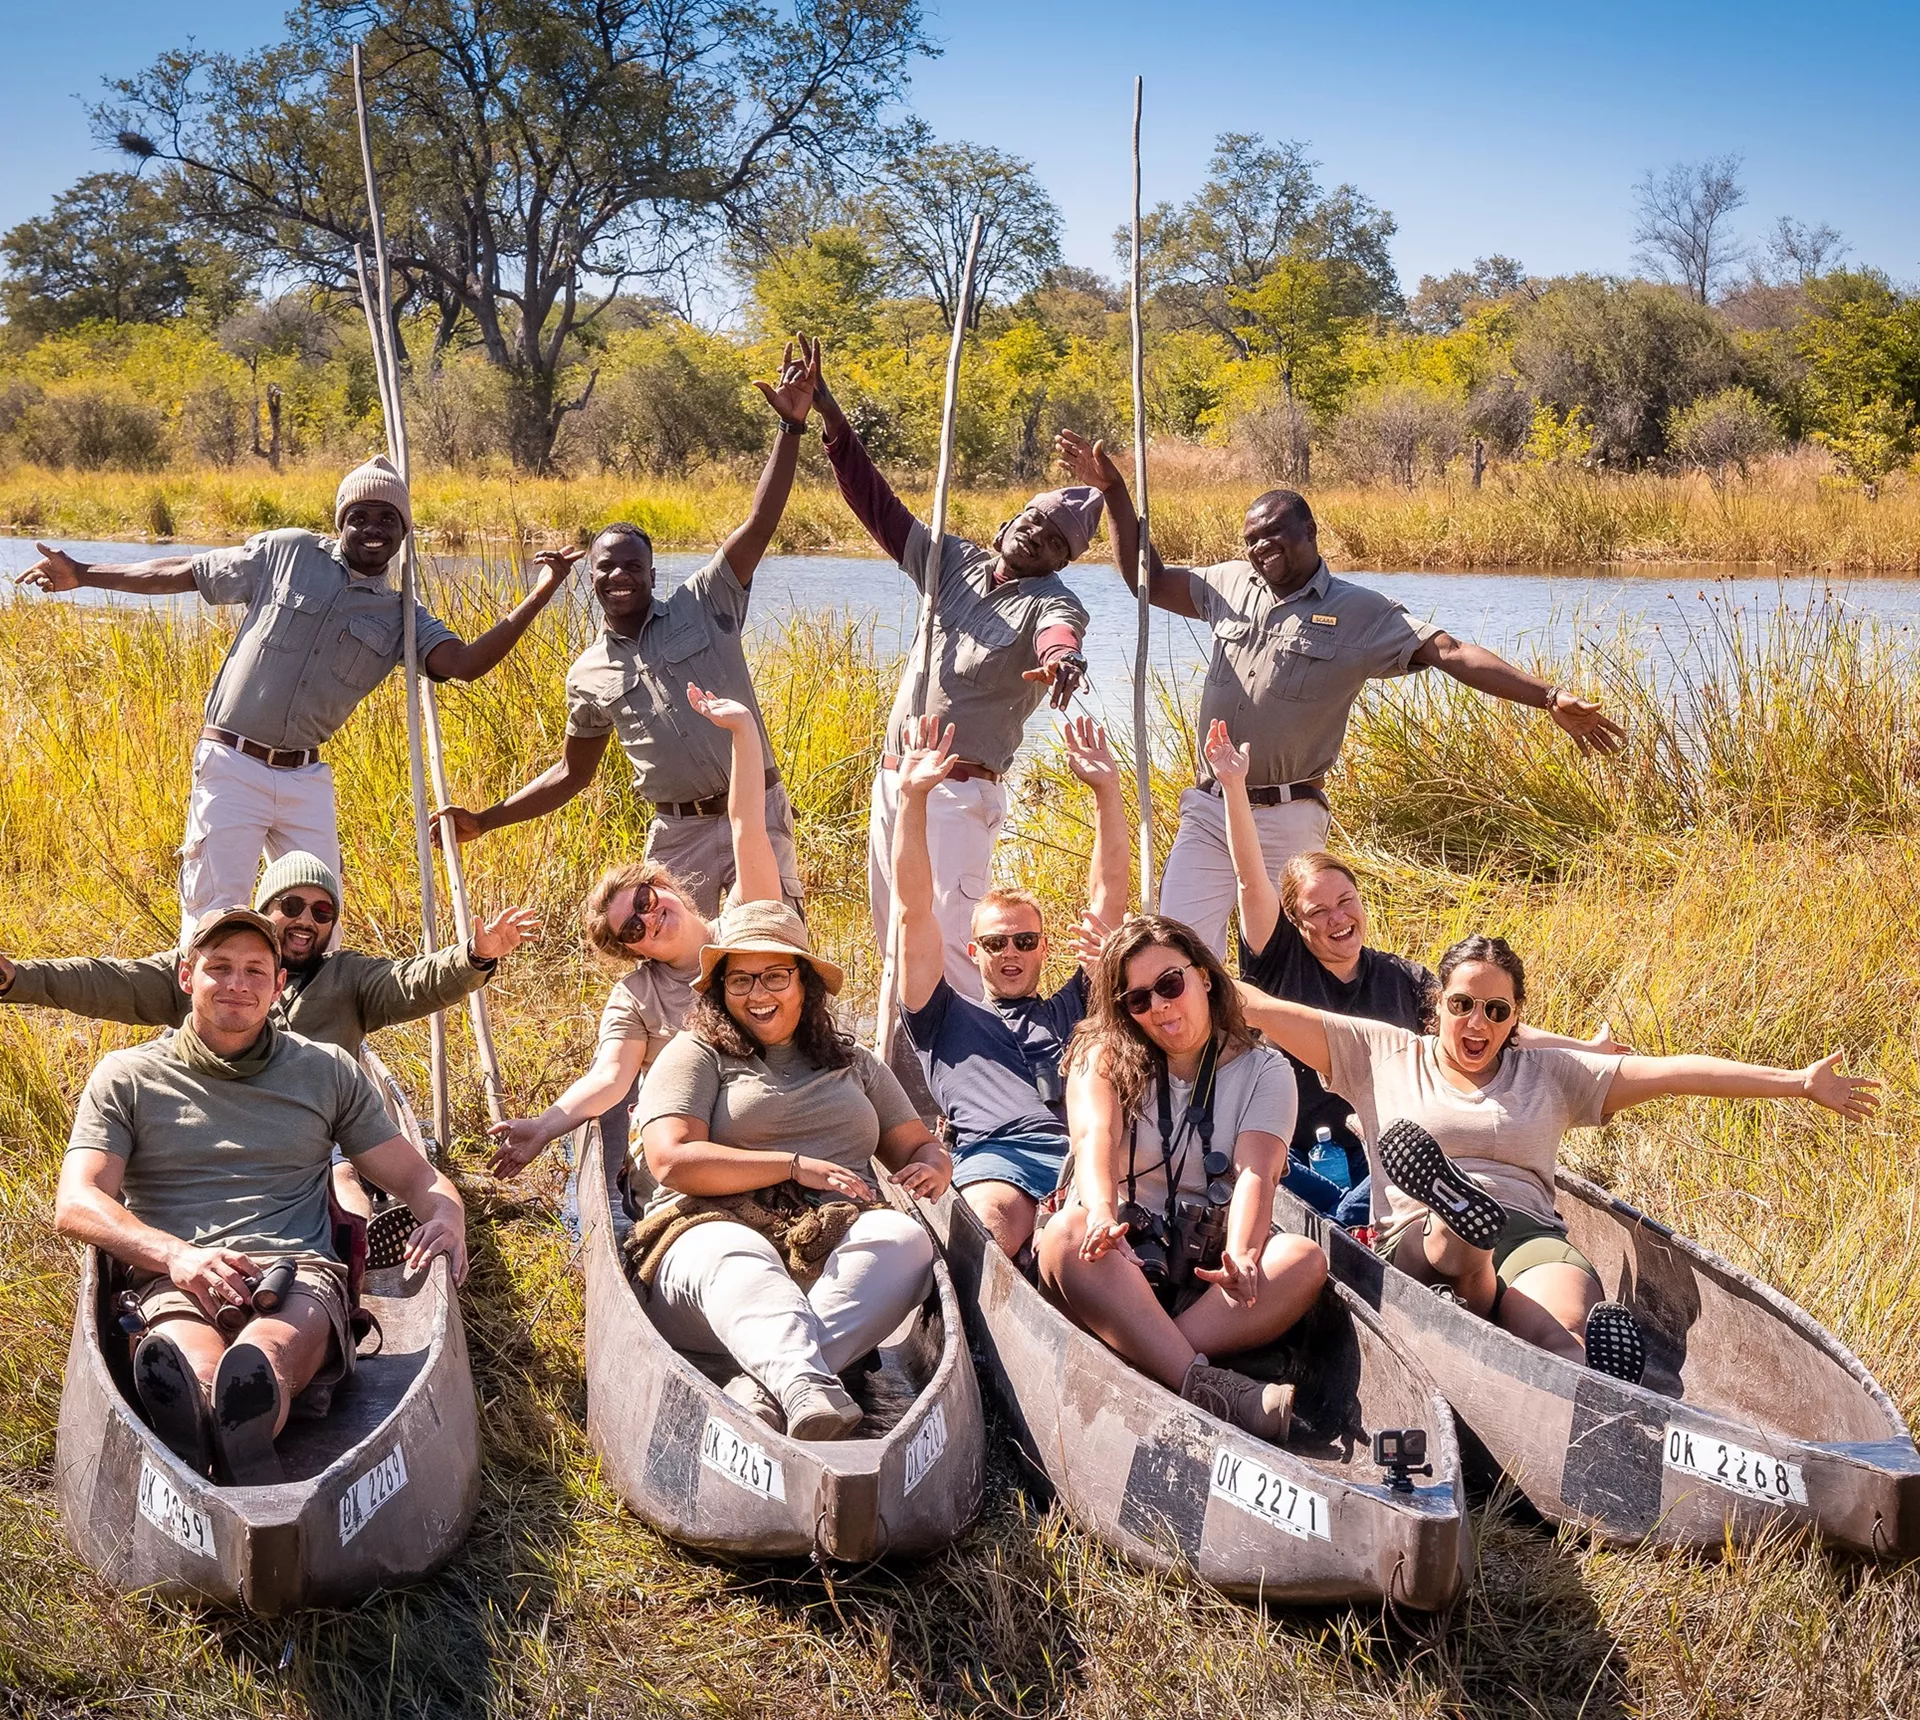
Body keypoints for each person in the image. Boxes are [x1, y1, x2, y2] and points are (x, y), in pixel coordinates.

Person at [1056, 431, 1627, 958]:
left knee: (1295, 961)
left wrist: (1548, 697)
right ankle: (1192, 1067)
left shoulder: (1360, 611)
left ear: (1310, 533)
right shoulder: (1229, 583)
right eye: (1252, 541)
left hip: (1288, 816)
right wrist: (1115, 493)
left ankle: (1293, 1065)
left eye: (1274, 535)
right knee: (1177, 952)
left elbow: (1449, 652)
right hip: (1209, 809)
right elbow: (1144, 578)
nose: (1260, 550)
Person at [1237, 934, 1879, 1381]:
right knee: (1449, 1243)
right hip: (1414, 1233)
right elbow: (1260, 1006)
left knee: (1560, 1333)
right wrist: (1162, 969)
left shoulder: (1549, 1073)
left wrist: (1798, 1081)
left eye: (1496, 1010)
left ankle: (1592, 1386)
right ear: (1437, 1006)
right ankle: (1459, 1222)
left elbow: (1674, 1073)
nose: (1476, 1023)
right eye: (1461, 1005)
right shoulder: (1380, 1052)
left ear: (1515, 1018)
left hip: (1531, 1234)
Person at [16, 456, 573, 947]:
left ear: (404, 531)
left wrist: (543, 590)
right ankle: (200, 1043)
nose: (372, 528)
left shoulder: (402, 615)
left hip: (305, 779)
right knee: (215, 918)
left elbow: (466, 664)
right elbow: (184, 572)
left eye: (387, 518)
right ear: (341, 523)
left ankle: (298, 1041)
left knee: (317, 920)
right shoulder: (288, 553)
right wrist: (84, 574)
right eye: (360, 516)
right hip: (232, 763)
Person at [53, 907, 468, 1484]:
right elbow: (75, 1201)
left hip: (294, 1274)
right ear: (185, 976)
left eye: (254, 970)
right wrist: (178, 1256)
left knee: (263, 1355)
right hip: (172, 1275)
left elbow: (414, 1177)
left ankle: (239, 1422)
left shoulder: (326, 1070)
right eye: (218, 967)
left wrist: (448, 1213)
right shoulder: (126, 1076)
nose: (236, 984)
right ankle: (199, 1417)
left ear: (278, 985)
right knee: (190, 1356)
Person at [435, 341, 824, 915]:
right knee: (678, 966)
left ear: (651, 572)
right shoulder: (589, 674)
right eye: (606, 567)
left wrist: (790, 430)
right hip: (678, 834)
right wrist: (485, 820)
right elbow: (571, 774)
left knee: (771, 946)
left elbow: (760, 523)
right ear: (589, 577)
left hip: (756, 811)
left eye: (632, 565)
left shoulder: (705, 601)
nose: (620, 576)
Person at [0, 849, 534, 1239]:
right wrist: (16, 979)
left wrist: (474, 957)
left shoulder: (350, 978)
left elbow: (415, 981)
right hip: (223, 1133)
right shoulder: (207, 970)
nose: (305, 920)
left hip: (324, 1132)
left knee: (342, 1173)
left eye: (322, 913)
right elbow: (103, 981)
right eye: (293, 905)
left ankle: (358, 1245)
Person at [804, 349, 1100, 997]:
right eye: (1033, 522)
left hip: (959, 794)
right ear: (1007, 522)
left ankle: (968, 1091)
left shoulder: (1052, 600)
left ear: (1063, 562)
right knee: (895, 942)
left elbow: (1059, 637)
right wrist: (829, 415)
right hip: (897, 779)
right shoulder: (951, 562)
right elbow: (877, 506)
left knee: (955, 945)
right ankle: (905, 1085)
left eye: (1054, 541)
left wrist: (1061, 664)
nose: (1036, 537)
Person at [634, 901, 953, 1439]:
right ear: (719, 989)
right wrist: (793, 1166)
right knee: (742, 1254)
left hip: (829, 1257)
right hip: (708, 1246)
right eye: (740, 980)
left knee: (905, 1239)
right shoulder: (698, 1054)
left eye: (775, 976)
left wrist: (932, 1165)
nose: (758, 994)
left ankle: (772, 1390)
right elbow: (670, 1159)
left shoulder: (853, 1063)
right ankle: (801, 1382)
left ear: (805, 983)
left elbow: (919, 1149)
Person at [1037, 915, 1329, 1440]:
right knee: (1067, 1235)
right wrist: (1104, 1213)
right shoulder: (1101, 1054)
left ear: (1206, 978)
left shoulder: (1266, 1069)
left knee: (1303, 1260)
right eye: (1139, 1000)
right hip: (1120, 1262)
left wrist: (1241, 1253)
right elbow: (1094, 1139)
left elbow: (1255, 1173)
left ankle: (1151, 1355)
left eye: (1170, 985)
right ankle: (1210, 1387)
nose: (1160, 1007)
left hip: (1201, 1272)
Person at [484, 685, 786, 1178]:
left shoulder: (745, 922)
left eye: (646, 901)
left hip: (774, 1116)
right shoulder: (637, 997)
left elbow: (746, 825)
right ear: (631, 950)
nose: (649, 919)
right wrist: (543, 1126)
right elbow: (610, 1076)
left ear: (662, 884)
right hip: (694, 1141)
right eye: (632, 928)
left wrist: (743, 730)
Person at [892, 713, 1128, 1256]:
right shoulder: (941, 1013)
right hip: (998, 1156)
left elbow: (1108, 901)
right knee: (992, 1217)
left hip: (1089, 1153)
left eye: (1025, 941)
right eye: (997, 943)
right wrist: (913, 799)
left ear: (1045, 946)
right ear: (974, 953)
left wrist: (1106, 791)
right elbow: (912, 910)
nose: (1012, 953)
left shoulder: (1077, 1007)